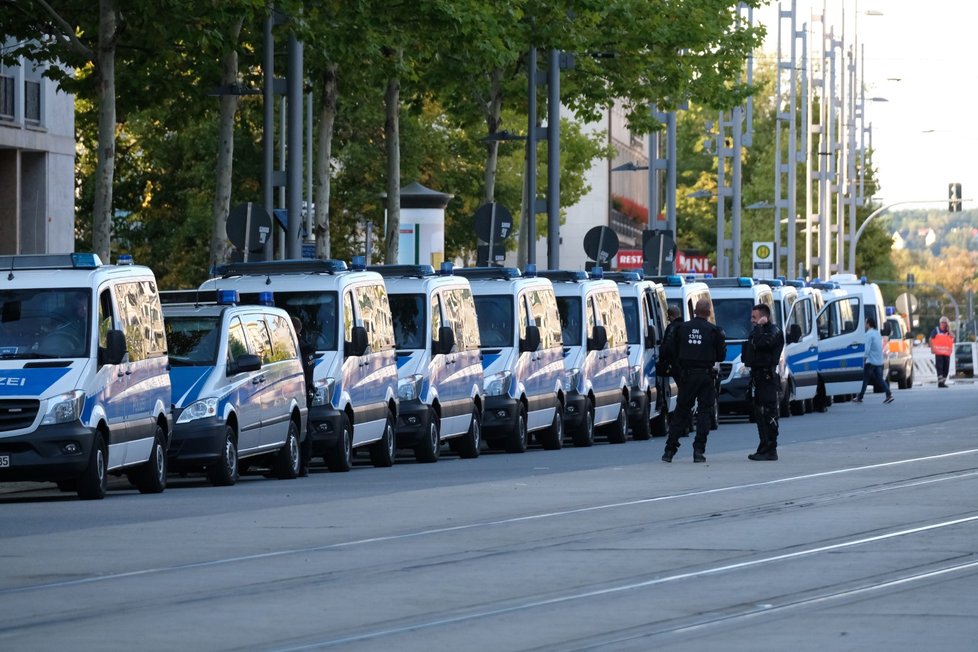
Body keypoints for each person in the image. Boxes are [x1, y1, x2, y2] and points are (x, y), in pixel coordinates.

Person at [662, 298, 726, 463]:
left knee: (681, 412)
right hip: (705, 376)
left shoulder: (682, 328)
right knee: (704, 413)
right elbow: (721, 356)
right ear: (709, 313)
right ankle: (698, 450)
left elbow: (671, 349)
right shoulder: (714, 331)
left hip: (687, 375)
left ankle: (669, 450)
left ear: (695, 312)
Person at [743, 304, 785, 461]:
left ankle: (771, 449)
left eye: (754, 317)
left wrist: (760, 327)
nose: (752, 320)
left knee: (769, 414)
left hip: (767, 379)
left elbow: (763, 344)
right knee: (759, 414)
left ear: (763, 317)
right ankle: (763, 447)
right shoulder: (756, 332)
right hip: (757, 378)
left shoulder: (774, 331)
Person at [292, 316, 317, 477]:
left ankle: (305, 464)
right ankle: (303, 463)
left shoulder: (303, 348)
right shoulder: (304, 347)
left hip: (302, 390)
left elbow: (307, 373)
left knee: (305, 425)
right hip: (301, 389)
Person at [853, 316, 894, 404]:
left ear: (868, 324)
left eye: (865, 323)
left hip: (871, 361)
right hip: (879, 361)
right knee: (880, 379)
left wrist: (864, 357)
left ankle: (860, 397)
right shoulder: (877, 333)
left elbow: (867, 348)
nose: (864, 325)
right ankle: (889, 394)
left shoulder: (868, 334)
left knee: (865, 380)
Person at [930, 316, 954, 388]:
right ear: (940, 323)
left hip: (946, 353)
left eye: (945, 323)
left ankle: (943, 382)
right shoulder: (936, 330)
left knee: (946, 368)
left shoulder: (948, 332)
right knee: (939, 367)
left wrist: (949, 330)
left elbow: (953, 337)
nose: (944, 324)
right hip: (939, 353)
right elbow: (931, 339)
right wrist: (932, 348)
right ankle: (940, 383)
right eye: (942, 322)